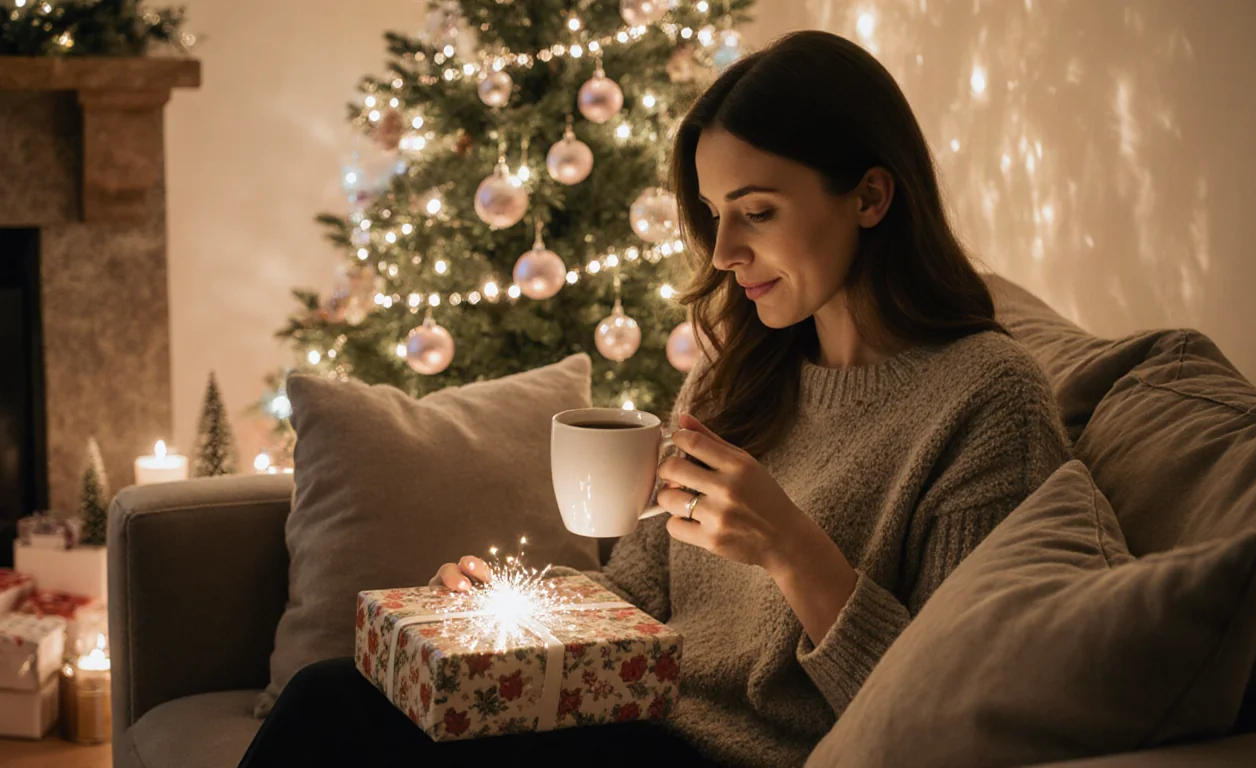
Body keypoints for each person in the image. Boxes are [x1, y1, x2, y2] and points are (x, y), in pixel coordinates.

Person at [239, 28, 1069, 768]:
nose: (727, 251)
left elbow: (951, 715)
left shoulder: (988, 399)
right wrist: (517, 619)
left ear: (871, 196)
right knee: (332, 697)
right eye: (713, 215)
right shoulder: (735, 374)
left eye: (757, 212)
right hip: (633, 724)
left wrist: (791, 549)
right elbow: (636, 597)